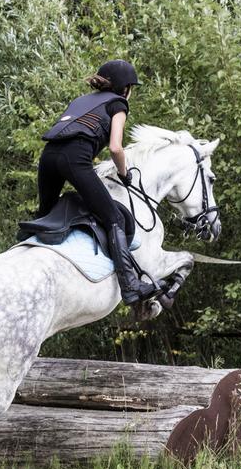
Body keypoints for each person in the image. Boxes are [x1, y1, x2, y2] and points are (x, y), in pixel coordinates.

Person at [35, 59, 160, 305]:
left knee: (44, 216)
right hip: (74, 160)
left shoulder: (80, 101)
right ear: (126, 88)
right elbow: (115, 147)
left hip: (48, 157)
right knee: (113, 218)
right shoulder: (119, 104)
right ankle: (131, 287)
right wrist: (124, 173)